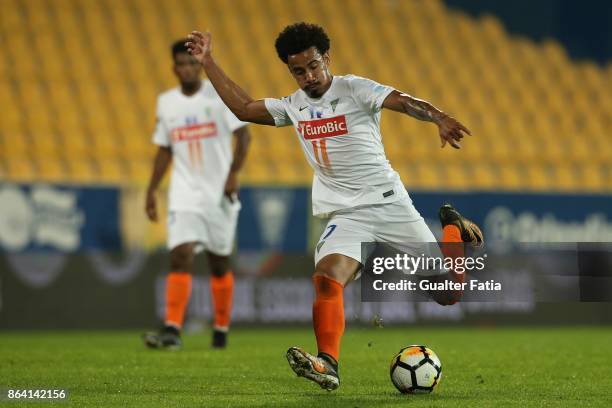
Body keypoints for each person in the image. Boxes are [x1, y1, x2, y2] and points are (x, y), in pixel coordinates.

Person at [186, 23, 482, 389]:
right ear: (290, 70)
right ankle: (327, 363)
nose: (308, 76)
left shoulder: (355, 88)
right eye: (298, 70)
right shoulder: (293, 107)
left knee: (448, 293)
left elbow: (404, 102)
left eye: (313, 65)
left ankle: (451, 225)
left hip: (389, 204)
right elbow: (245, 108)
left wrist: (438, 117)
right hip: (347, 214)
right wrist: (209, 62)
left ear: (326, 58)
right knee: (326, 279)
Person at [142, 39, 251, 350]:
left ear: (199, 66)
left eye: (193, 63)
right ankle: (172, 329)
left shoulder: (218, 96)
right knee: (181, 255)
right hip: (184, 192)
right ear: (174, 67)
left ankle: (220, 328)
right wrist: (151, 190)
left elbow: (245, 136)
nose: (188, 69)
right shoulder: (166, 102)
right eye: (182, 63)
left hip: (219, 193)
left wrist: (232, 174)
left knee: (219, 263)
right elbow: (164, 148)